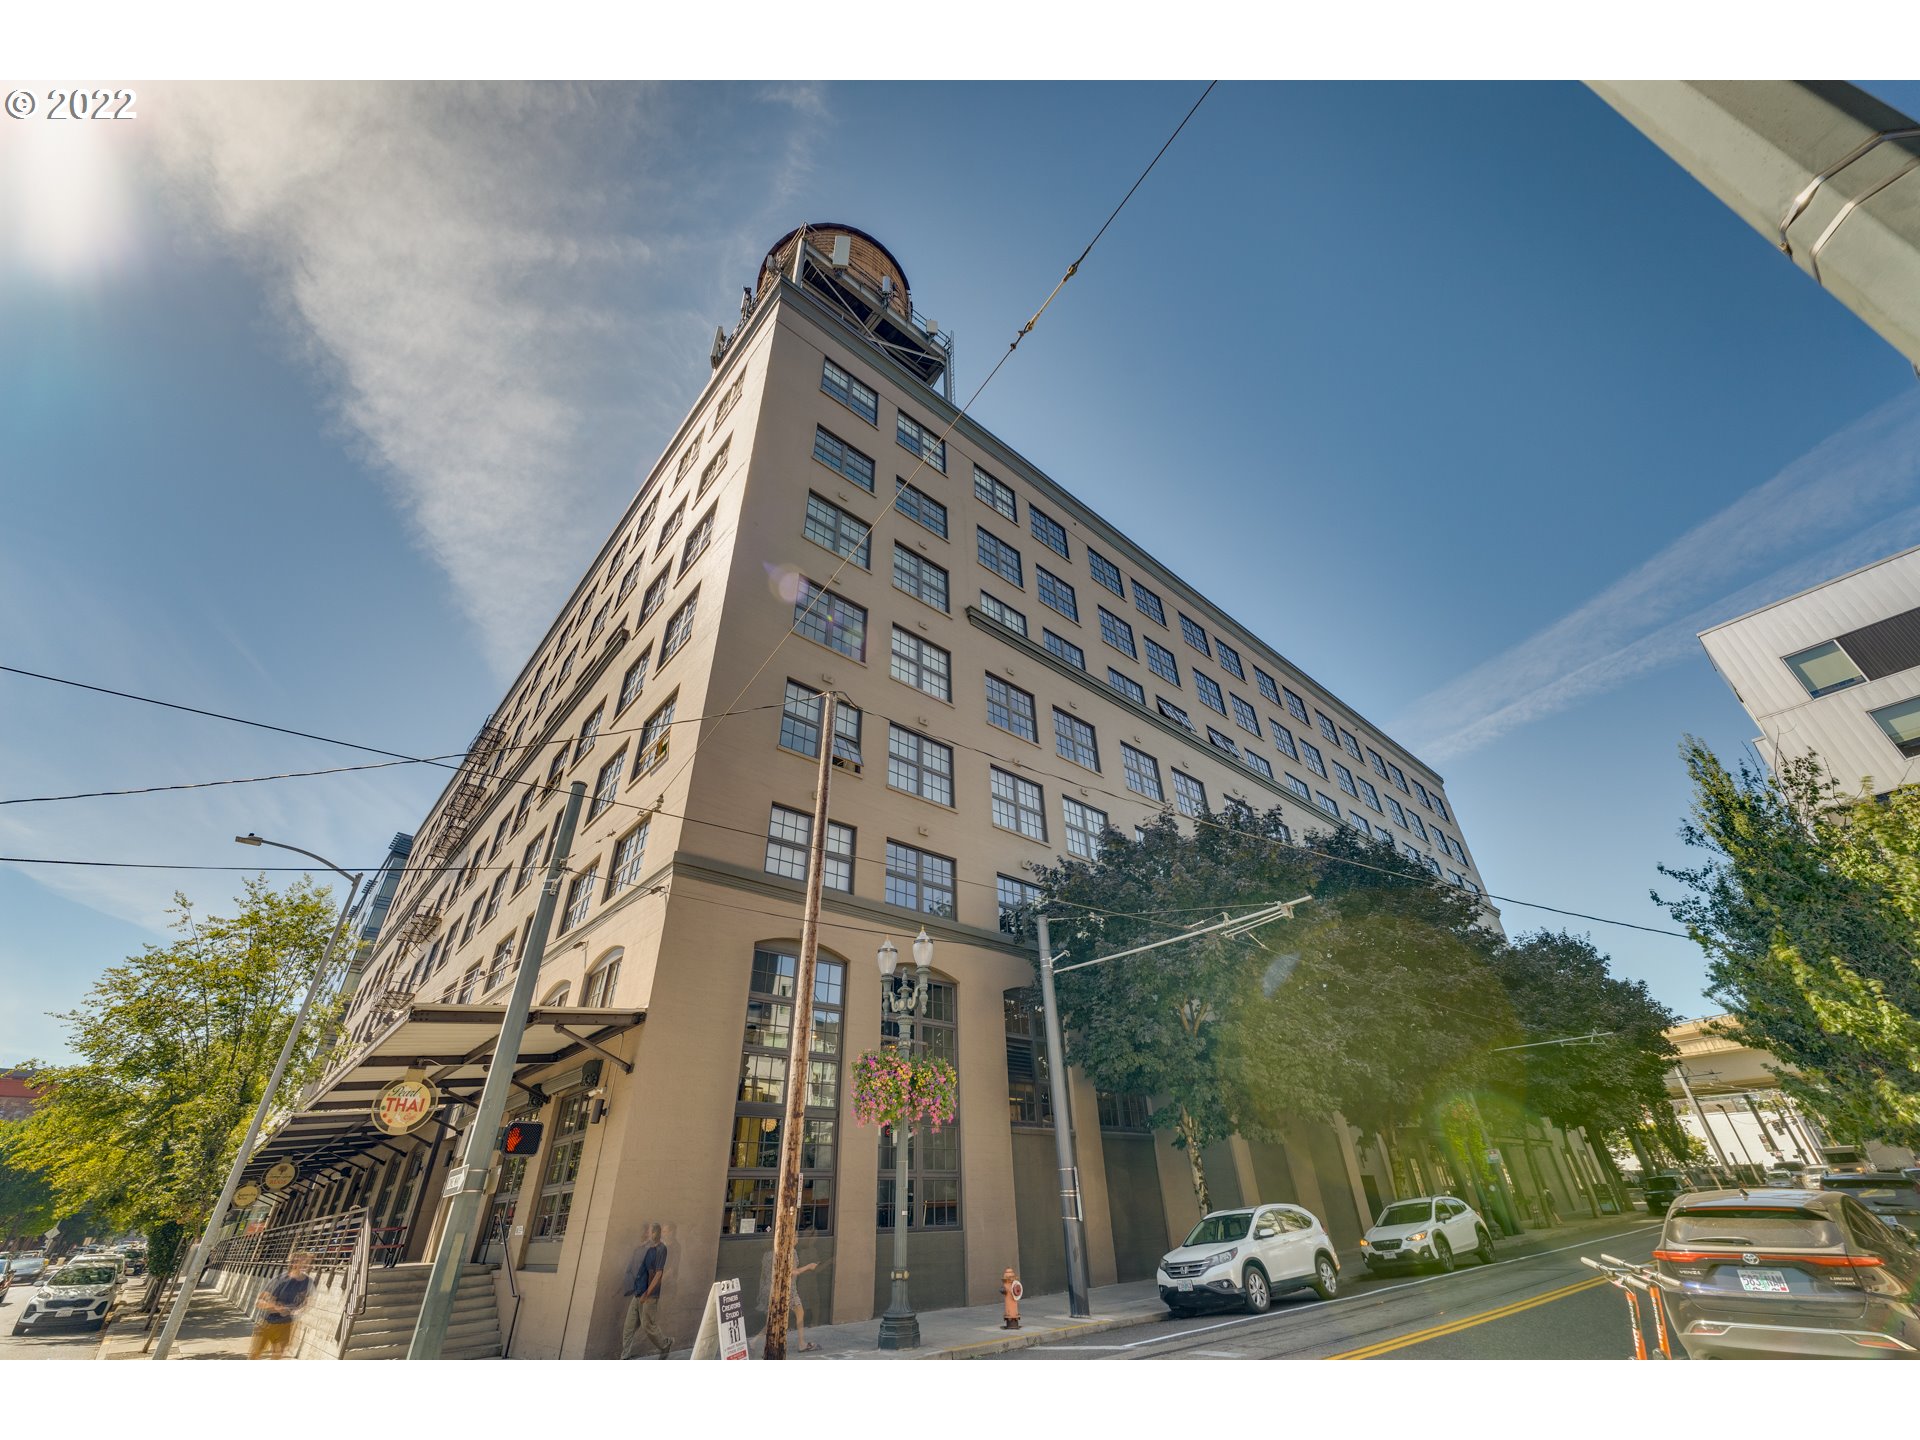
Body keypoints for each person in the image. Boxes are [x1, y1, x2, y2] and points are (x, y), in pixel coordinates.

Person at [621, 1224, 672, 1360]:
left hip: (650, 1295)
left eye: (650, 1233)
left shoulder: (662, 1249)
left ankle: (665, 1344)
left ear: (656, 1233)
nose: (647, 1235)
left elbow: (659, 1273)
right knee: (628, 1328)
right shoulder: (646, 1249)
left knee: (648, 1325)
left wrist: (647, 1293)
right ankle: (624, 1357)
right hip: (638, 1293)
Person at [250, 1252, 314, 1359]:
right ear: (293, 1263)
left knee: (277, 1357)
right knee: (254, 1355)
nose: (306, 1265)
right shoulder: (280, 1280)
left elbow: (308, 1302)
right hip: (267, 1323)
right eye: (303, 1261)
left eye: (307, 1262)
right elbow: (259, 1302)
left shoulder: (308, 1282)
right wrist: (277, 1308)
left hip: (286, 1325)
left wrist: (299, 1310)